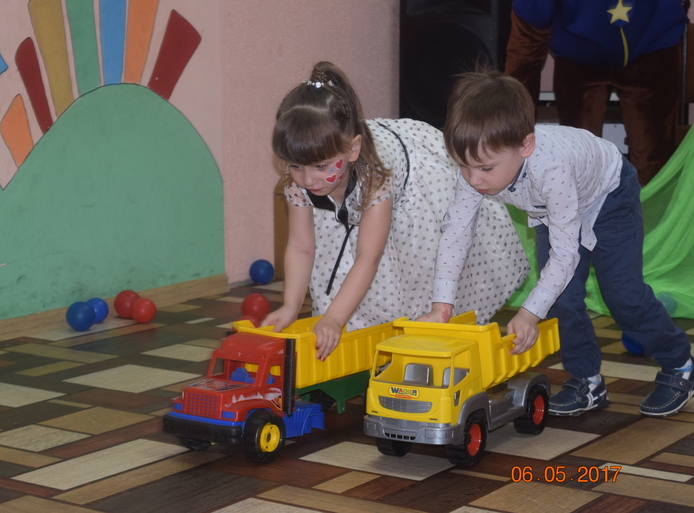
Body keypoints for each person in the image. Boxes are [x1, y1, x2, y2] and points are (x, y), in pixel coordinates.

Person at [418, 70, 693, 417]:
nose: (474, 179)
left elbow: (565, 254)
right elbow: (456, 232)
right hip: (554, 209)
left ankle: (680, 364)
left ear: (525, 146)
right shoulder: (476, 170)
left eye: (485, 168)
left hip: (609, 197)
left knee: (623, 295)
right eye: (463, 166)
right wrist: (442, 305)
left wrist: (528, 313)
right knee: (562, 298)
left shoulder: (551, 168)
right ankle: (587, 381)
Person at [263, 62, 529, 360]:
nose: (308, 179)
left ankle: (418, 345)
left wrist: (334, 319)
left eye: (320, 166)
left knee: (413, 280)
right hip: (353, 187)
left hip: (412, 185)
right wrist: (290, 306)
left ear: (352, 150)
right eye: (295, 166)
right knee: (341, 278)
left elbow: (368, 256)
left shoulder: (375, 178)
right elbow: (301, 247)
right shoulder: (301, 178)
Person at [504, 1, 688, 186]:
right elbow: (526, 46)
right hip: (578, 57)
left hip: (652, 47)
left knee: (653, 160)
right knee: (580, 161)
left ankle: (650, 201)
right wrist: (513, 135)